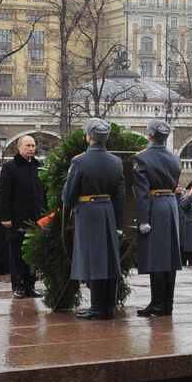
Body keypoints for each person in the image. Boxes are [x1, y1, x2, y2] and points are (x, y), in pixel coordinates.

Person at [63, 118, 125, 319]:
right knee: (109, 260)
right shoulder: (116, 161)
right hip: (108, 210)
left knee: (95, 260)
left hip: (88, 211)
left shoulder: (79, 161)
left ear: (89, 136)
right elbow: (120, 194)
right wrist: (119, 222)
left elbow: (68, 194)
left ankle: (98, 307)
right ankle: (108, 306)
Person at [133, 118, 182, 316]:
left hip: (155, 206)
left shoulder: (142, 158)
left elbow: (142, 193)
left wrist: (143, 219)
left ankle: (157, 303)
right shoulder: (174, 157)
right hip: (171, 205)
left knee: (157, 258)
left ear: (150, 135)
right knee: (169, 259)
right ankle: (167, 303)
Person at [0, 136, 47, 298]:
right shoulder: (10, 167)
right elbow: (4, 195)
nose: (31, 149)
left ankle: (30, 285)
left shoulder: (39, 166)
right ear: (19, 146)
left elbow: (44, 193)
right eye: (28, 145)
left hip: (36, 219)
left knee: (32, 254)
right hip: (17, 218)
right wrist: (5, 217)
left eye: (33, 145)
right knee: (17, 254)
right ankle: (18, 286)